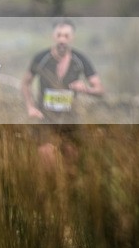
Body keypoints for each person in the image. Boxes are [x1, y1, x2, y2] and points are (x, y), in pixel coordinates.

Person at [21, 19, 103, 166]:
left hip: (69, 118)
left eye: (66, 36)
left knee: (71, 164)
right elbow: (25, 83)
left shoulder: (80, 60)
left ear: (72, 38)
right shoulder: (41, 59)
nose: (62, 39)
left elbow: (99, 89)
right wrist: (30, 107)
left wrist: (85, 88)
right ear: (54, 37)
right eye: (59, 35)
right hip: (45, 118)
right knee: (47, 159)